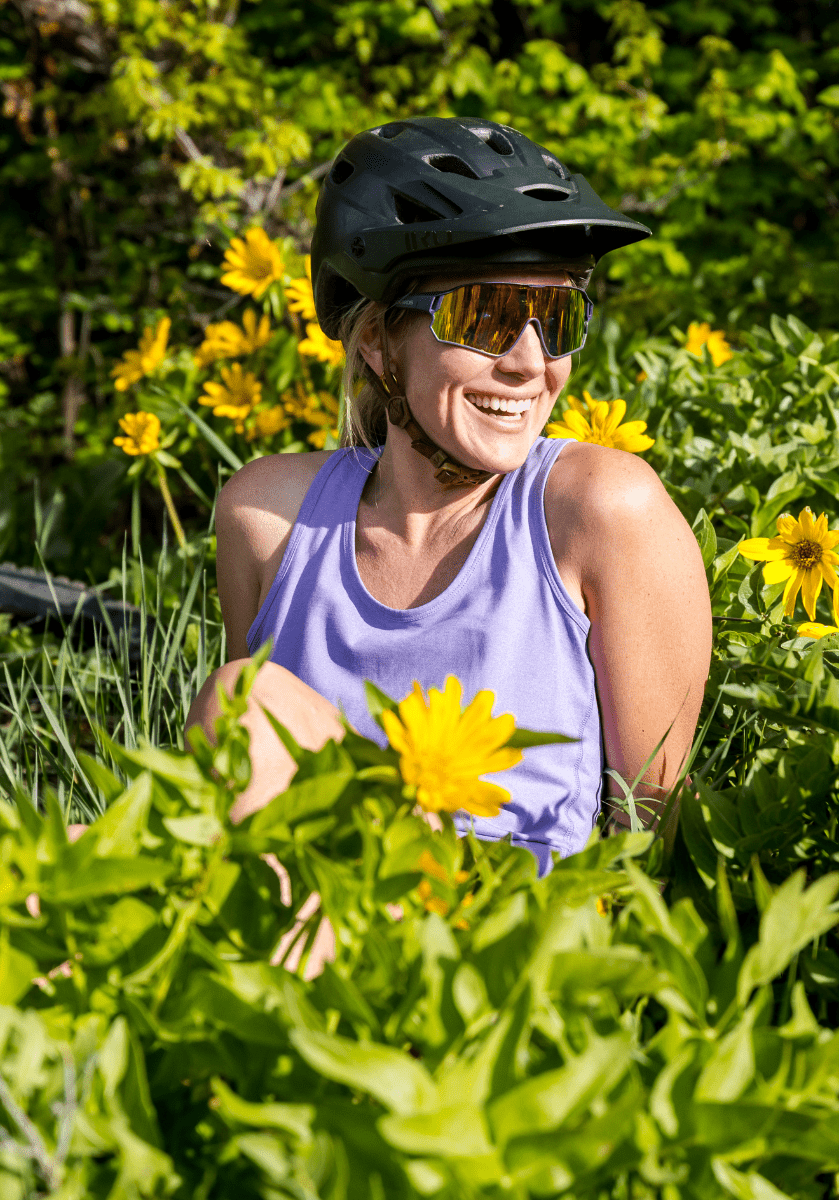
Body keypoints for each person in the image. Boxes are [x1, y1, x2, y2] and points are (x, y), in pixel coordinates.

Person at [186, 117, 712, 885]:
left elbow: (655, 831)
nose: (531, 363)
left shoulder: (601, 510)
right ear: (377, 342)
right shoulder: (267, 518)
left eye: (558, 318)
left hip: (511, 958)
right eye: (487, 318)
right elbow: (239, 809)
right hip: (299, 947)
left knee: (247, 697)